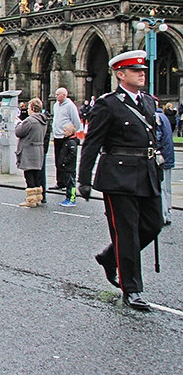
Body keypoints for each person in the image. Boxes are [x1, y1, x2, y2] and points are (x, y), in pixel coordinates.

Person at [78, 50, 162, 311]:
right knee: (126, 233)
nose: (142, 74)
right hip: (118, 175)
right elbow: (92, 143)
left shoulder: (148, 102)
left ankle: (109, 257)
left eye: (143, 71)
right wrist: (84, 179)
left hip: (146, 173)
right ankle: (132, 289)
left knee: (153, 225)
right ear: (120, 74)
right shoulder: (107, 104)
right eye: (136, 71)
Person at [15, 98, 48, 207]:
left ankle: (31, 200)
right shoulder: (43, 120)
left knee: (29, 175)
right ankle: (38, 198)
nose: (28, 110)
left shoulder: (30, 120)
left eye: (29, 108)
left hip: (29, 150)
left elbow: (19, 132)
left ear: (33, 108)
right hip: (38, 149)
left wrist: (18, 124)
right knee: (36, 175)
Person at [50, 87, 81, 190]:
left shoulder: (70, 106)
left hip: (65, 136)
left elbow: (76, 121)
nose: (56, 96)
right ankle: (60, 182)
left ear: (64, 95)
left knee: (65, 160)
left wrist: (71, 131)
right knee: (58, 160)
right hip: (57, 136)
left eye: (57, 94)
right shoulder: (55, 105)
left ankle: (67, 183)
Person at [155, 98, 175, 225]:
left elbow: (157, 137)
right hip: (168, 156)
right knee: (167, 188)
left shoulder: (155, 117)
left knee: (160, 187)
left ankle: (162, 216)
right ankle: (167, 212)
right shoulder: (163, 116)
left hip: (161, 157)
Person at [57, 123, 78, 207]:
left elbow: (72, 154)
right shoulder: (67, 141)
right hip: (66, 167)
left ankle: (72, 199)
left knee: (71, 184)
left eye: (65, 131)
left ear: (70, 132)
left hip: (70, 168)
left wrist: (64, 161)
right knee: (68, 183)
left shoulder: (71, 142)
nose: (63, 132)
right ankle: (68, 198)